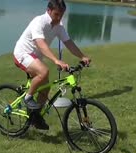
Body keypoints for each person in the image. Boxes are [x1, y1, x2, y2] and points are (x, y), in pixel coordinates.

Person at [13, 0, 91, 130]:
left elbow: (69, 43)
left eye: (61, 15)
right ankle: (28, 98)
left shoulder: (58, 27)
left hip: (34, 58)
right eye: (56, 14)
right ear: (48, 10)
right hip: (22, 53)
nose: (59, 18)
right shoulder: (39, 22)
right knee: (44, 71)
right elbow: (40, 44)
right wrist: (56, 60)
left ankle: (35, 117)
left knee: (46, 88)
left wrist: (82, 56)